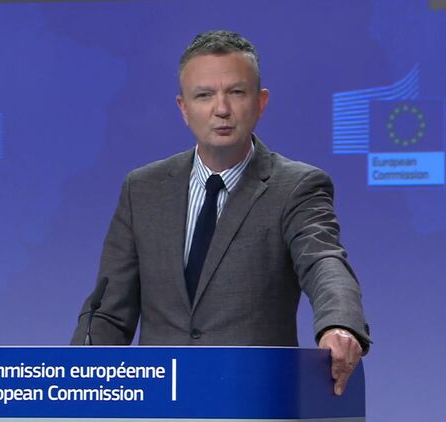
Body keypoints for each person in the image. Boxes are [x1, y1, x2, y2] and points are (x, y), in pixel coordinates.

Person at [72, 30, 371, 396]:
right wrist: (76, 383)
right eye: (204, 95)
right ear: (183, 108)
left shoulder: (296, 186)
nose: (222, 109)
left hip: (253, 401)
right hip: (160, 405)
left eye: (236, 92)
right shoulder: (143, 189)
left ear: (261, 102)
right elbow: (108, 311)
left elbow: (323, 261)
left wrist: (339, 324)